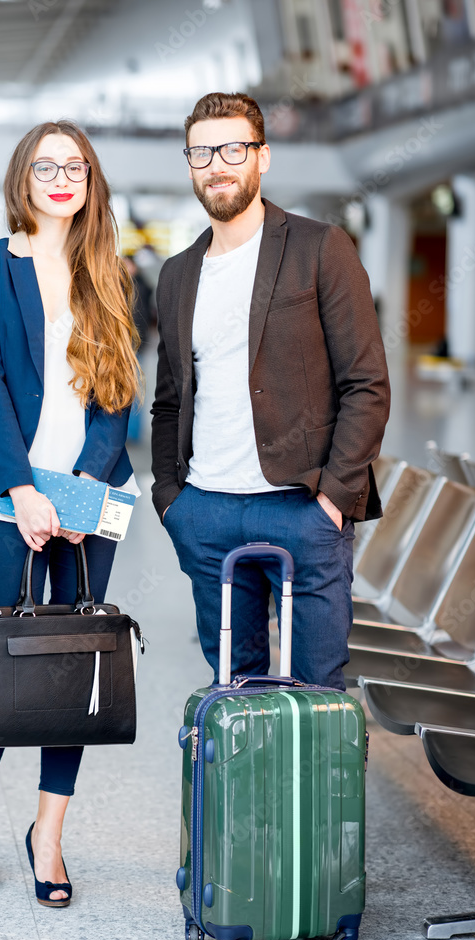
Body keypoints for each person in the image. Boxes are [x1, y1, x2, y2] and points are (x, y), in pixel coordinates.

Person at [0, 119, 142, 903]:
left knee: (77, 660)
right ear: (22, 179)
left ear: (91, 179)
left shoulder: (111, 270)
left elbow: (116, 397)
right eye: (44, 165)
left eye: (75, 165)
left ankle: (49, 835)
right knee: (4, 656)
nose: (61, 177)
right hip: (8, 498)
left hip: (92, 501)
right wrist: (26, 492)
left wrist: (80, 496)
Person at [151, 92, 390, 689]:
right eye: (202, 151)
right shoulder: (178, 273)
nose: (218, 164)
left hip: (301, 507)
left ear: (262, 157)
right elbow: (170, 397)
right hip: (205, 508)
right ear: (188, 164)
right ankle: (243, 785)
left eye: (234, 147)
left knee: (318, 693)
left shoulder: (319, 247)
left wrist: (334, 498)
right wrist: (172, 500)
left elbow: (366, 382)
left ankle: (317, 787)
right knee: (235, 691)